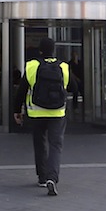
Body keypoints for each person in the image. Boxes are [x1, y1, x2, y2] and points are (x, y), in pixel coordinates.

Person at [13, 36, 77, 197]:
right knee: (56, 145)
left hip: (36, 112)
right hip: (58, 113)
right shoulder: (63, 67)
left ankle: (42, 177)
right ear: (54, 50)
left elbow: (21, 92)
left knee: (40, 144)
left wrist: (17, 111)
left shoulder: (32, 66)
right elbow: (74, 88)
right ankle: (52, 178)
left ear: (40, 50)